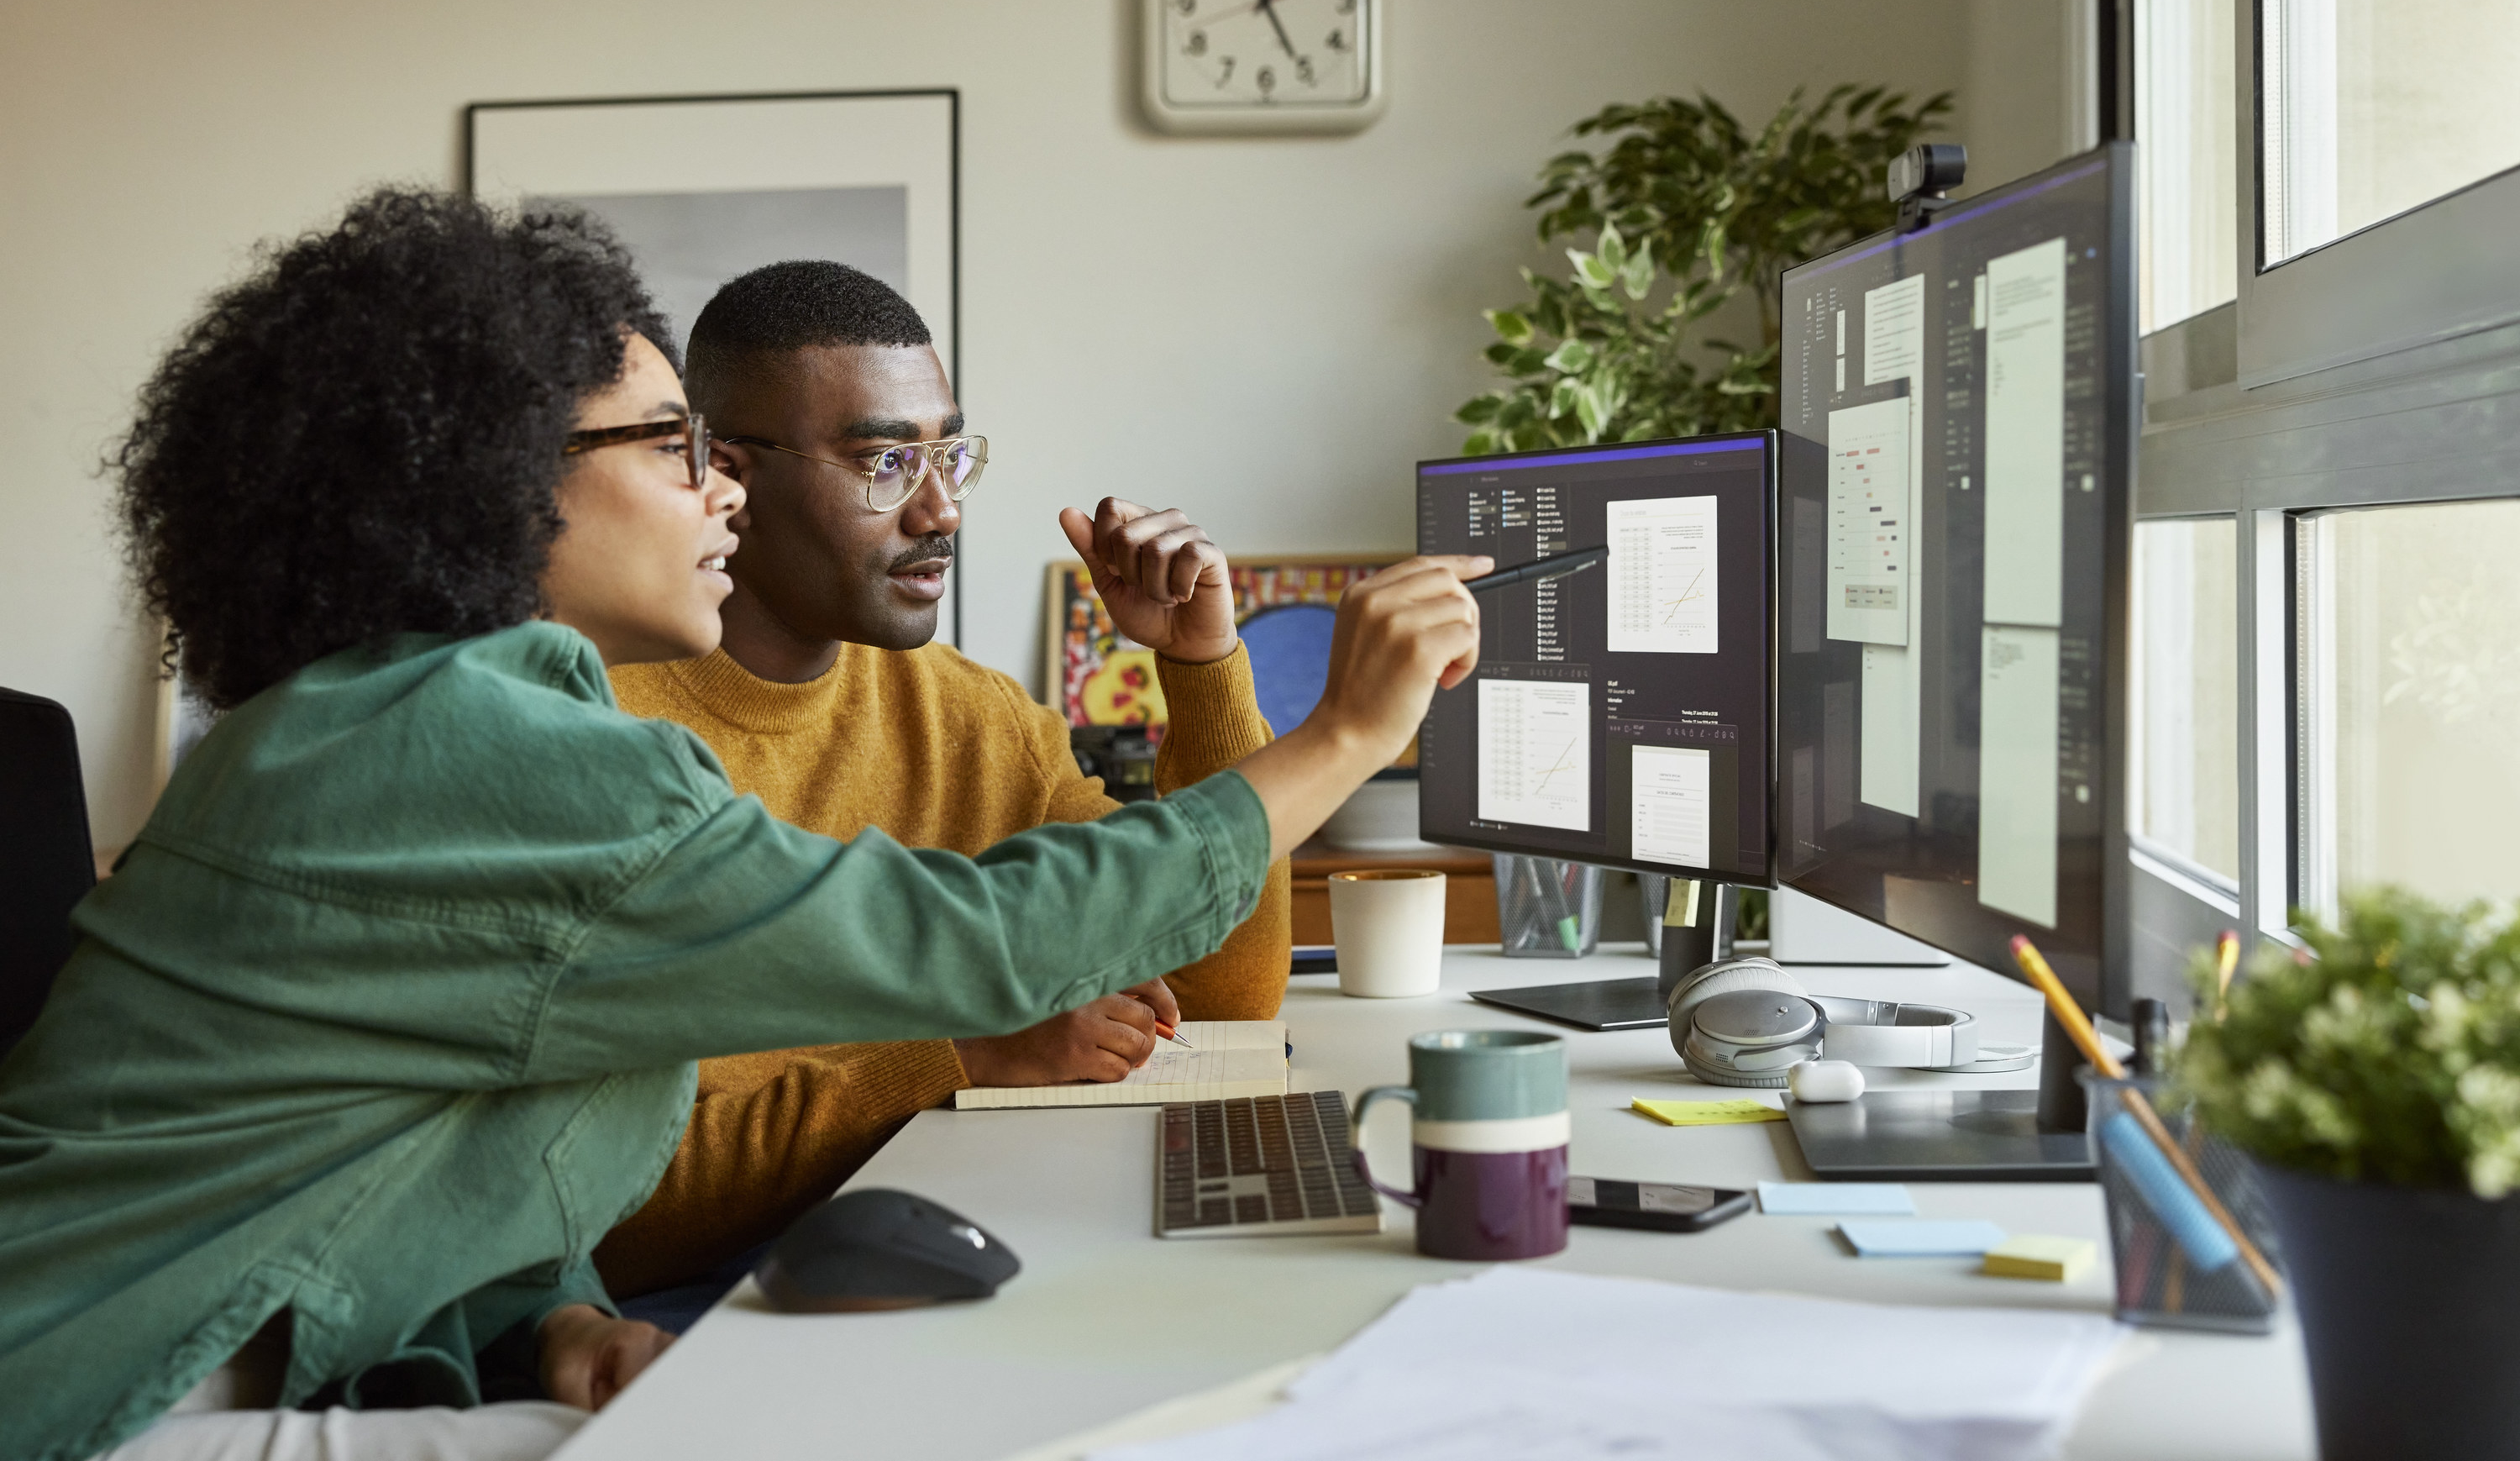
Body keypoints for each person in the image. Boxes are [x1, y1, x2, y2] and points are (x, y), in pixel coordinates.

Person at [0, 189, 1486, 1461]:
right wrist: (1345, 734)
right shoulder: (469, 743)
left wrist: (555, 1328)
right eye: (671, 447)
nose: (716, 490)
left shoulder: (402, 717)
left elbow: (423, 1156)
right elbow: (977, 941)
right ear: (503, 479)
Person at [591, 262, 1289, 1296]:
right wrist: (966, 1057)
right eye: (884, 463)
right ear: (726, 475)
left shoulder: (973, 716)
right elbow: (609, 1210)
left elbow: (1222, 994)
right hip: (701, 1298)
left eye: (949, 456)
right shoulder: (592, 732)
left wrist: (1201, 670)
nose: (942, 512)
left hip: (939, 1219)